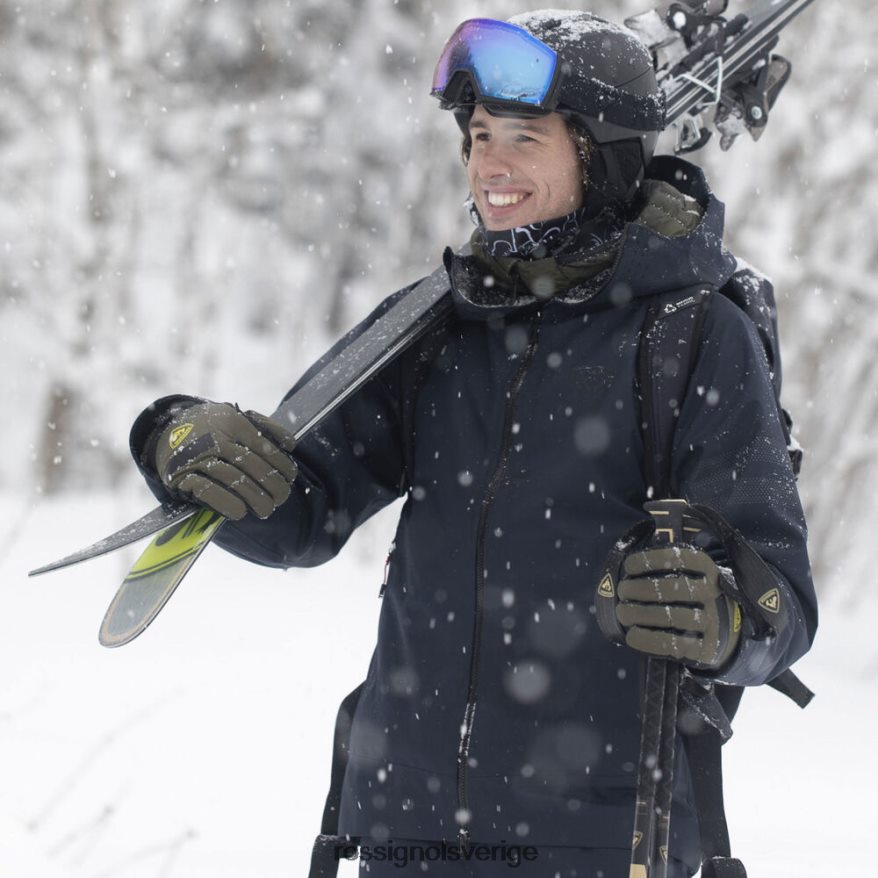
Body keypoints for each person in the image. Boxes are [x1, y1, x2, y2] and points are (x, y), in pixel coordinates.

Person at [128, 10, 817, 877]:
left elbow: (778, 601)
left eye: (523, 138)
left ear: (598, 153)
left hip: (603, 843)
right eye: (479, 135)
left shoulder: (692, 334)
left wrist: (719, 612)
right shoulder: (441, 327)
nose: (488, 164)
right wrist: (178, 440)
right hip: (401, 830)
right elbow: (297, 514)